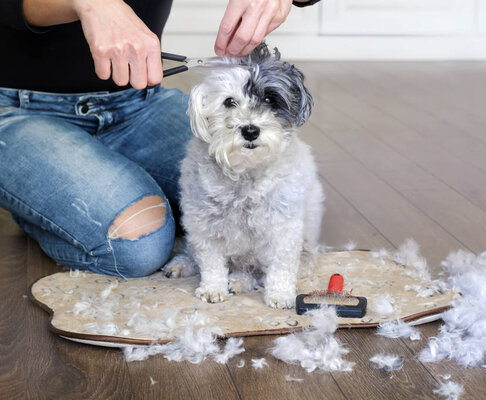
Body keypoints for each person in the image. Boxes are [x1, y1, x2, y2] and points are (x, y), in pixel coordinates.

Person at [0, 0, 320, 278]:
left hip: (139, 102)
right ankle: (40, 204)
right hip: (17, 108)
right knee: (140, 247)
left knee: (276, 197)